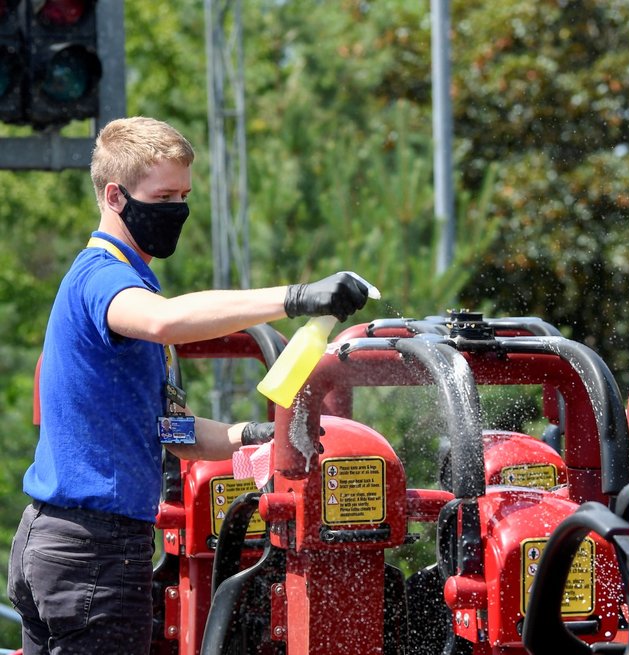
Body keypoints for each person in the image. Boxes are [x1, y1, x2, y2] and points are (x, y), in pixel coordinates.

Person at [6, 116, 374, 654]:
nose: (176, 210)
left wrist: (249, 436)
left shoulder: (130, 283)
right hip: (94, 554)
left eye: (184, 195)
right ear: (115, 195)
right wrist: (297, 298)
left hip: (61, 544)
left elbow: (169, 432)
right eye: (163, 196)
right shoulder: (103, 277)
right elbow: (164, 321)